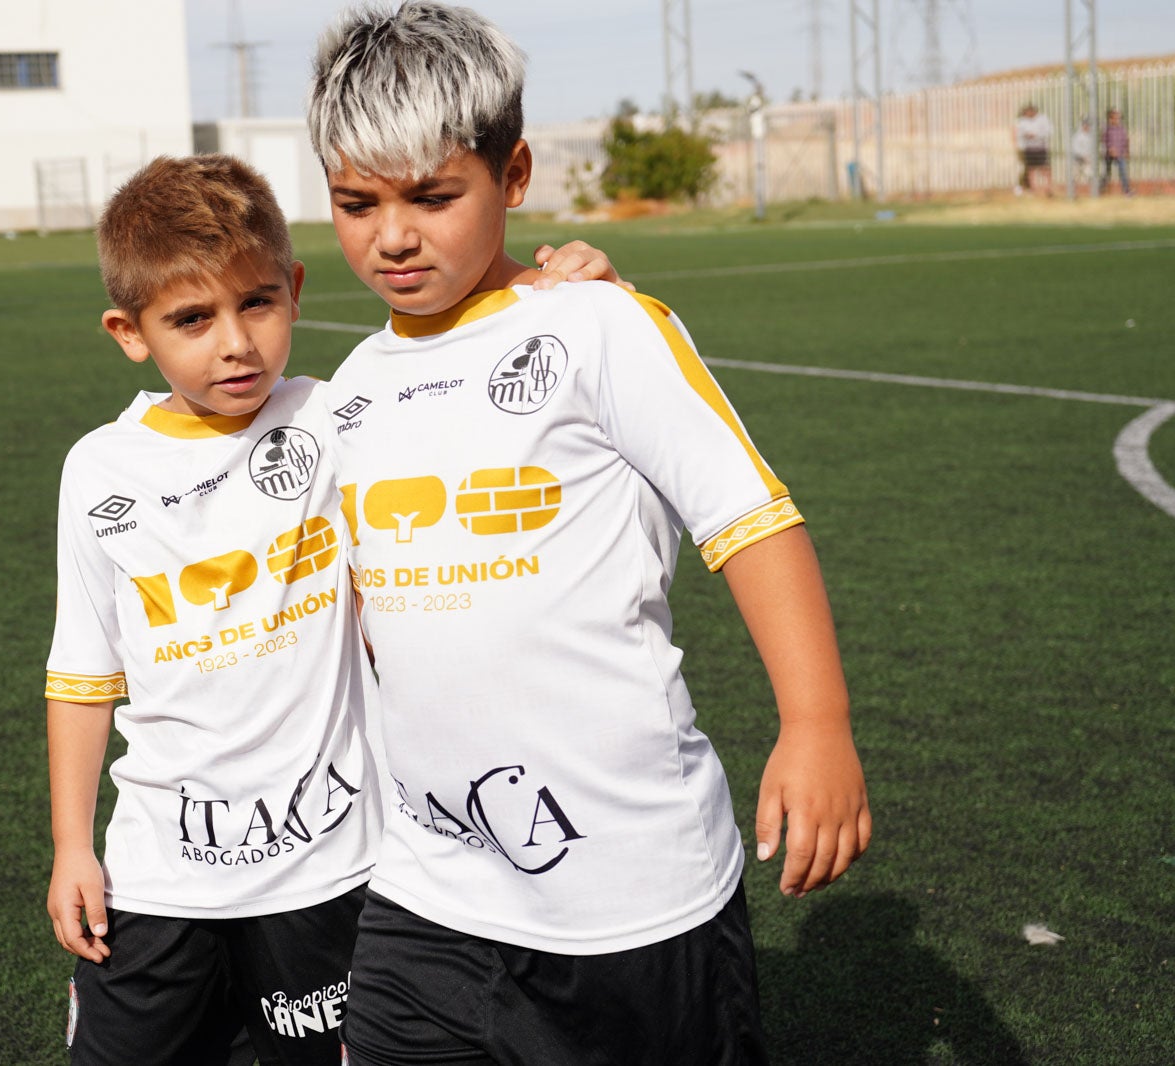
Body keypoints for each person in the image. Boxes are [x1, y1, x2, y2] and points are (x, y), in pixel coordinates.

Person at [306, 4, 871, 1064]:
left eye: (434, 196)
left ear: (513, 175)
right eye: (355, 202)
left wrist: (816, 719)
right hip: (426, 889)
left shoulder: (595, 325)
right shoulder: (347, 393)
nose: (393, 233)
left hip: (631, 897)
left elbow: (749, 519)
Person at [44, 152, 625, 1066]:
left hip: (332, 869)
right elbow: (82, 674)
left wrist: (566, 290)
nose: (233, 342)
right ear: (129, 331)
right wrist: (72, 847)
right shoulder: (100, 470)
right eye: (191, 319)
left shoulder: (340, 413)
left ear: (295, 288)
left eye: (257, 304)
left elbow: (480, 397)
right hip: (160, 874)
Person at [1014, 104, 1053, 196]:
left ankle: (1048, 188)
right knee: (1031, 169)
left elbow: (1049, 131)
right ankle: (1033, 189)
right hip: (1029, 148)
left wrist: (1037, 135)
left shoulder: (1043, 119)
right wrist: (1026, 135)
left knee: (1045, 168)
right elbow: (1018, 133)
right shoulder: (1022, 121)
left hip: (1041, 147)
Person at [1102, 109, 1132, 196]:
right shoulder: (1107, 129)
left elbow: (1126, 140)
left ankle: (1126, 190)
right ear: (1110, 119)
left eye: (1118, 118)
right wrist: (1110, 149)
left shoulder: (1121, 129)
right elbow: (1105, 141)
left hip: (1120, 154)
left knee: (1123, 172)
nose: (1117, 120)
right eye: (1115, 118)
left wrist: (1127, 151)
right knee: (1107, 173)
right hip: (1109, 155)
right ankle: (1101, 188)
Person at [1071, 117, 1095, 195]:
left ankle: (1091, 192)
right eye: (1085, 125)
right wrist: (1083, 155)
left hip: (1087, 159)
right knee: (1075, 175)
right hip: (1077, 159)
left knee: (1089, 174)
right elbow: (1075, 148)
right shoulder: (1077, 136)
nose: (1087, 127)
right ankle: (1072, 192)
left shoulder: (1090, 136)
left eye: (1088, 125)